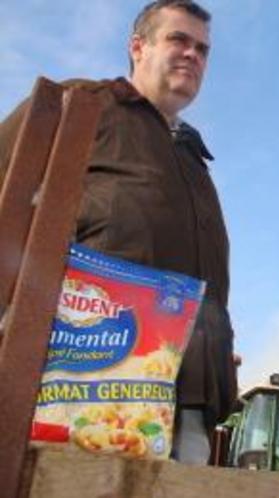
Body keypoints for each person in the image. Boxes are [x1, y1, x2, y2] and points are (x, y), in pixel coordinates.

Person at [0, 0, 236, 464]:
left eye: (203, 49)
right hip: (89, 378)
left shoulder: (194, 158)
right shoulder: (81, 104)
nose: (193, 55)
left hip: (186, 389)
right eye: (178, 40)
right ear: (138, 47)